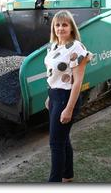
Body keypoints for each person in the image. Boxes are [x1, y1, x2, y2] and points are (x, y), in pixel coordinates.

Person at [44, 10, 92, 182]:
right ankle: (67, 175)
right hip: (55, 96)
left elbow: (77, 82)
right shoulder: (54, 47)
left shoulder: (77, 48)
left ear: (71, 28)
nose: (60, 28)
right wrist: (50, 96)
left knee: (55, 144)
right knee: (63, 140)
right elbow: (53, 74)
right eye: (57, 25)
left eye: (64, 24)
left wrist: (69, 108)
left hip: (66, 97)